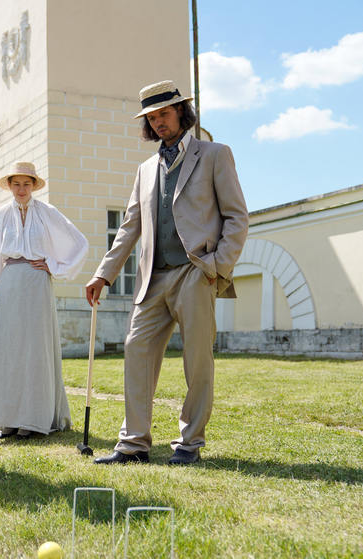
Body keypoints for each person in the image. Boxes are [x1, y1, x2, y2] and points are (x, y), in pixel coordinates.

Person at [86, 80, 249, 466]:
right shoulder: (145, 169)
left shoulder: (214, 154)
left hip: (196, 271)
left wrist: (216, 268)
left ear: (181, 112)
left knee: (197, 359)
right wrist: (103, 275)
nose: (159, 122)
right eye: (152, 117)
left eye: (164, 113)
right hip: (153, 277)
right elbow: (130, 227)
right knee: (136, 349)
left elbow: (237, 217)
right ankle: (133, 445)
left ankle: (189, 443)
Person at [0, 162, 88, 440]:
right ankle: (8, 419)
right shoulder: (0, 215)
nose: (21, 189)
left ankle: (32, 419)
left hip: (37, 283)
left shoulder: (47, 213)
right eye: (16, 184)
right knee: (9, 348)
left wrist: (54, 265)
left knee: (35, 348)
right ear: (10, 186)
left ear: (33, 186)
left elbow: (78, 242)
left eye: (26, 184)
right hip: (10, 283)